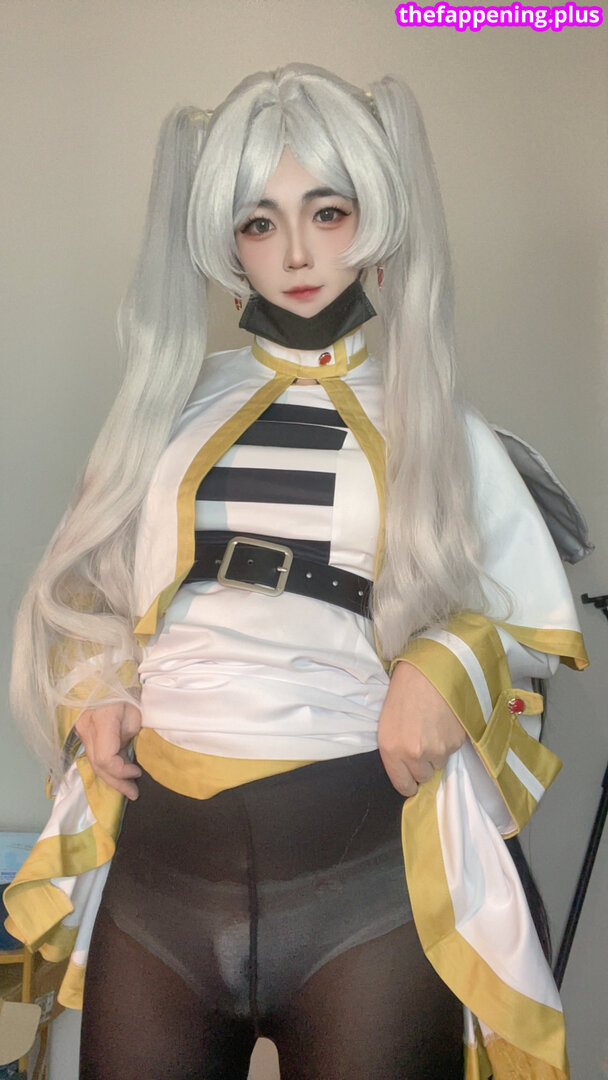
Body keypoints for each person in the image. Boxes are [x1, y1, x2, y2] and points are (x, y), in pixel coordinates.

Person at [4, 64, 588, 1080]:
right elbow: (90, 587)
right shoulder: (168, 412)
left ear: (376, 217)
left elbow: (517, 618)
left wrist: (442, 664)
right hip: (161, 877)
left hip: (366, 881)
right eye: (259, 222)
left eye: (327, 212)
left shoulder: (438, 426)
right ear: (224, 242)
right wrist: (92, 685)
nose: (299, 254)